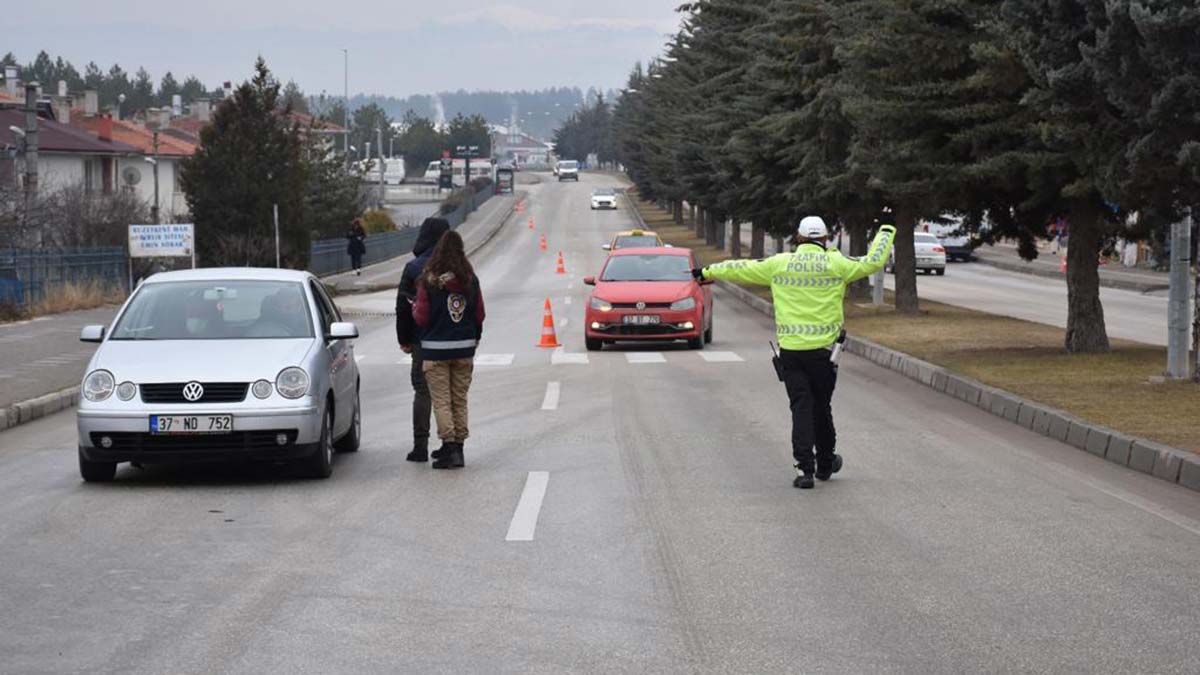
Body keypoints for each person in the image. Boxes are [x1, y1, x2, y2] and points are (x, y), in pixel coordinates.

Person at [695, 216, 895, 490]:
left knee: (801, 408)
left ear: (798, 238)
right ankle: (825, 463)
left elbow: (740, 268)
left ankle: (805, 470)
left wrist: (706, 272)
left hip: (791, 353)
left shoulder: (780, 264)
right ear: (825, 239)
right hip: (824, 354)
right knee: (822, 408)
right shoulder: (836, 264)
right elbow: (871, 262)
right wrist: (885, 230)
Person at [412, 230, 485, 470]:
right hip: (464, 349)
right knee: (459, 400)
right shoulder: (470, 280)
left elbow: (421, 318)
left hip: (435, 351)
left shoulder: (428, 280)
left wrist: (414, 309)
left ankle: (449, 447)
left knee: (441, 401)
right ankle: (458, 448)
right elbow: (479, 314)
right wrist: (473, 338)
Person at [396, 217, 451, 463]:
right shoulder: (457, 268)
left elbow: (403, 308)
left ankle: (420, 446)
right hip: (452, 340)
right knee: (448, 392)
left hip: (422, 340)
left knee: (423, 390)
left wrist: (405, 339)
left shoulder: (413, 268)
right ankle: (451, 446)